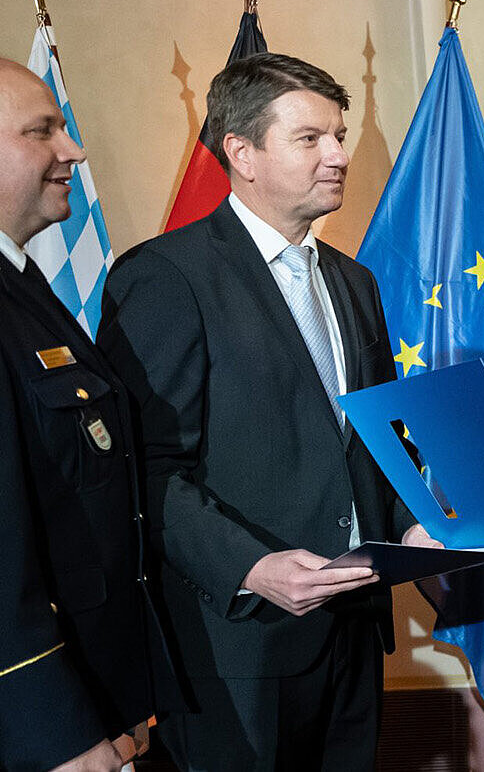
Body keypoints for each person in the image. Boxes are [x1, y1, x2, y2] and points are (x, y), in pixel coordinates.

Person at [104, 53, 435, 771]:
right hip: (237, 643)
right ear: (242, 152)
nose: (340, 155)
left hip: (354, 631)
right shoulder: (165, 276)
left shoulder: (354, 280)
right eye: (311, 138)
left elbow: (371, 438)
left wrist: (413, 521)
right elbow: (146, 471)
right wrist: (252, 567)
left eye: (338, 135)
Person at [0, 60, 167, 772]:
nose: (74, 150)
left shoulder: (22, 285)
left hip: (99, 691)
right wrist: (58, 732)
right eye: (43, 131)